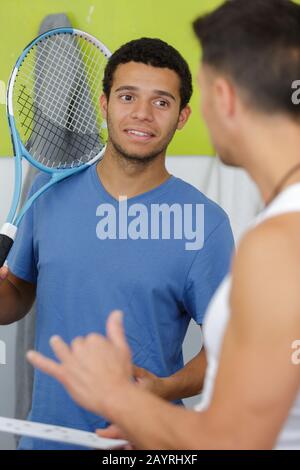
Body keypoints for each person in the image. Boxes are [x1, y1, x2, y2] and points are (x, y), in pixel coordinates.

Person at [28, 0, 300, 450]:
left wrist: (121, 400)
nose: (143, 113)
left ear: (222, 100)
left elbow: (235, 441)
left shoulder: (275, 243)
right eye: (128, 96)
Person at [0, 38, 233, 449]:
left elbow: (230, 349)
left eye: (161, 102)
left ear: (182, 117)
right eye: (128, 96)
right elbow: (15, 295)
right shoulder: (49, 196)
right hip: (46, 441)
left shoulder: (206, 223)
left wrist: (163, 388)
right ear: (105, 104)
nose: (142, 114)